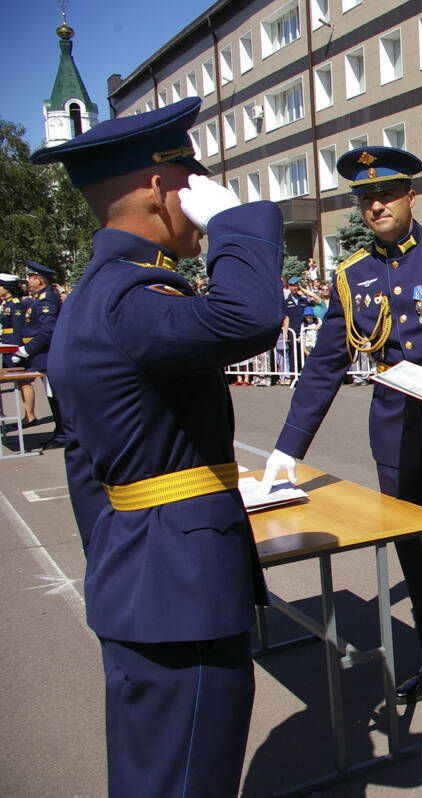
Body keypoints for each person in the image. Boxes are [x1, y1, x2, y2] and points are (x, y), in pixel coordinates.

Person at [30, 97, 282, 797]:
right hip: (183, 589)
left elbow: (85, 468)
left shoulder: (91, 295)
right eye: (191, 180)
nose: (200, 198)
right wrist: (237, 222)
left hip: (142, 576)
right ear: (160, 188)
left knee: (153, 779)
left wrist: (122, 560)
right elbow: (252, 315)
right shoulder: (131, 297)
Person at [259, 145, 422, 733]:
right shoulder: (352, 275)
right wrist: (286, 449)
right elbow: (324, 366)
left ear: (409, 196)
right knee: (419, 555)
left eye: (385, 195)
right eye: (364, 198)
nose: (375, 205)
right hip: (396, 436)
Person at [12, 260, 67, 448]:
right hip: (42, 355)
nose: (27, 280)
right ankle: (60, 432)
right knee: (52, 396)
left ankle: (64, 434)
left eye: (30, 277)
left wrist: (27, 349)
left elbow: (48, 329)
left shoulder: (47, 298)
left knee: (57, 397)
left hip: (48, 354)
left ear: (38, 279)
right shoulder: (40, 296)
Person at [0, 273, 36, 424]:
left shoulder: (16, 304)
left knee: (23, 380)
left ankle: (30, 415)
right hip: (6, 345)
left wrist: (17, 350)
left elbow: (18, 328)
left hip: (13, 347)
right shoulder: (6, 303)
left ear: (6, 288)